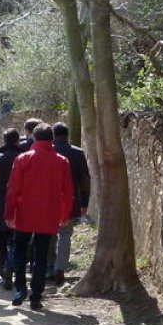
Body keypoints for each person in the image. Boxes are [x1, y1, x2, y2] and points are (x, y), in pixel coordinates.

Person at [4, 124, 72, 311]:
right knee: (41, 255)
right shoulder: (62, 161)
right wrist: (64, 214)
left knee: (19, 250)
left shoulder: (23, 159)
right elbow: (68, 192)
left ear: (34, 138)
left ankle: (20, 288)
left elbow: (13, 189)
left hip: (25, 213)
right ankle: (36, 295)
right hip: (48, 214)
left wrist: (9, 213)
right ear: (51, 140)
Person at [49, 122, 90, 285]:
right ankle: (60, 268)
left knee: (49, 235)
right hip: (71, 200)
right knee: (65, 234)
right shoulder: (77, 153)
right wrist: (85, 201)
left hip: (50, 200)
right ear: (67, 135)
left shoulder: (50, 152)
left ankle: (49, 266)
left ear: (53, 135)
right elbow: (85, 180)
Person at [0, 128, 23, 289]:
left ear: (4, 141)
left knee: (1, 241)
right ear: (18, 140)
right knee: (16, 242)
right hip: (19, 205)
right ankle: (11, 268)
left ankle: (4, 271)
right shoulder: (23, 158)